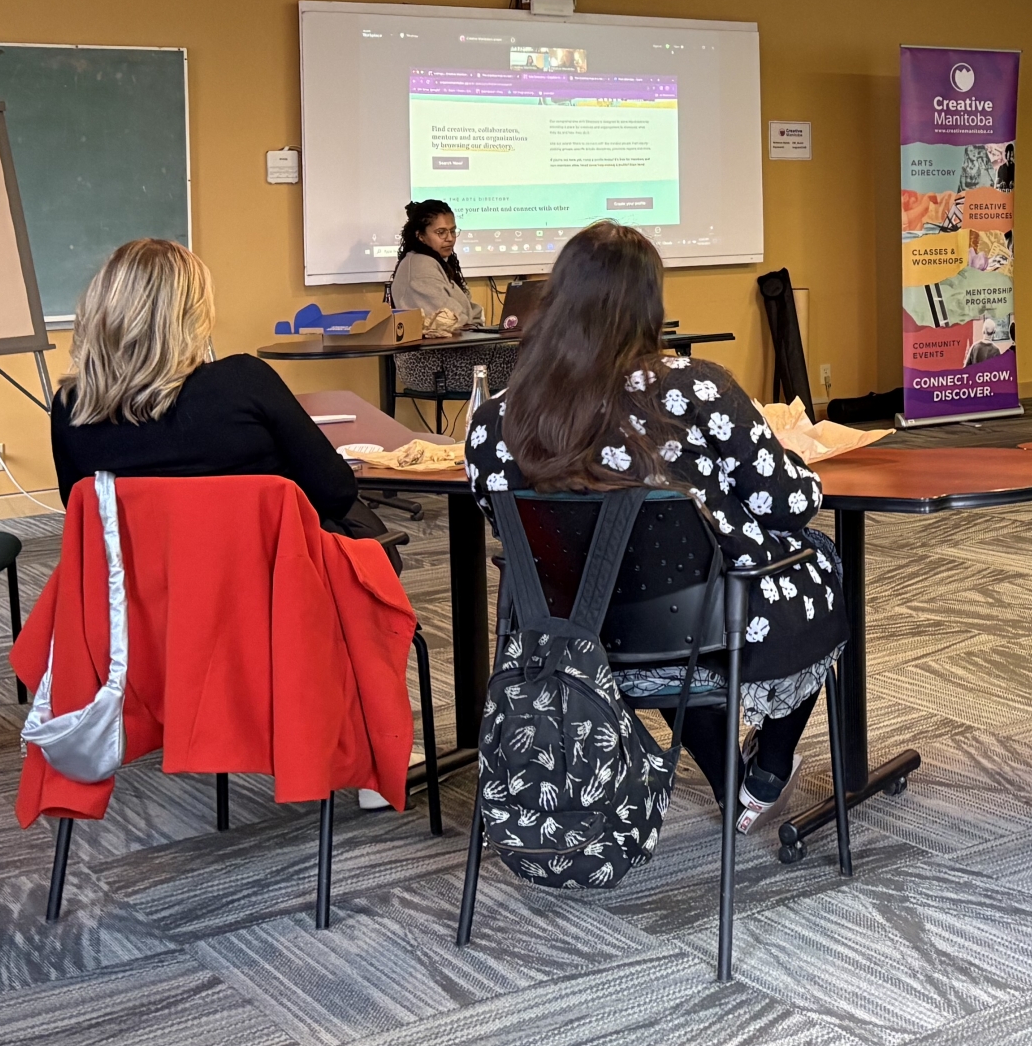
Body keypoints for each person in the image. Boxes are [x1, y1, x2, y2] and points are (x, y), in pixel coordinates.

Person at [463, 220, 845, 834]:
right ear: (650, 304)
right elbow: (788, 504)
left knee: (657, 599)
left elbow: (504, 523)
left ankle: (730, 779)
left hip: (569, 633)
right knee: (813, 559)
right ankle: (766, 774)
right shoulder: (694, 388)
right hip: (703, 623)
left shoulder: (494, 418)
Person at [50, 238, 390, 549]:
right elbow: (337, 493)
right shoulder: (243, 381)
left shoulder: (71, 408)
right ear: (192, 316)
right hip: (267, 581)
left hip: (141, 592)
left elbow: (82, 513)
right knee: (369, 535)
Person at [386, 199, 514, 405]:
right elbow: (447, 318)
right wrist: (464, 318)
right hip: (430, 366)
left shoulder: (437, 263)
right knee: (533, 360)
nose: (450, 239)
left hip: (450, 356)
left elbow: (469, 314)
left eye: (453, 231)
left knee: (532, 356)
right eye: (441, 233)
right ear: (420, 236)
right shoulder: (419, 265)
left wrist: (464, 318)